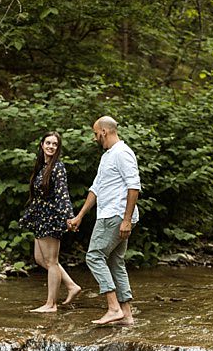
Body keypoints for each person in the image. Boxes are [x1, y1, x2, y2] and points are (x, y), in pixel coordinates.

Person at [67, 116, 141, 325]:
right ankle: (126, 315)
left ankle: (113, 307)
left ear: (104, 132)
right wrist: (80, 216)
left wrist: (126, 220)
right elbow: (96, 188)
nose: (94, 137)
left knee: (94, 256)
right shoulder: (107, 156)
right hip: (110, 214)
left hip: (115, 216)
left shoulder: (123, 153)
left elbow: (133, 186)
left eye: (95, 133)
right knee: (115, 262)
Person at [19, 131, 82, 313]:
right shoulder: (42, 167)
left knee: (52, 261)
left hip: (52, 218)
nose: (51, 146)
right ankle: (71, 285)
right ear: (42, 145)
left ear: (58, 148)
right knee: (40, 259)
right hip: (40, 217)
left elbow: (63, 194)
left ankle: (51, 304)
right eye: (48, 143)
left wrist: (69, 217)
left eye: (55, 144)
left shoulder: (58, 167)